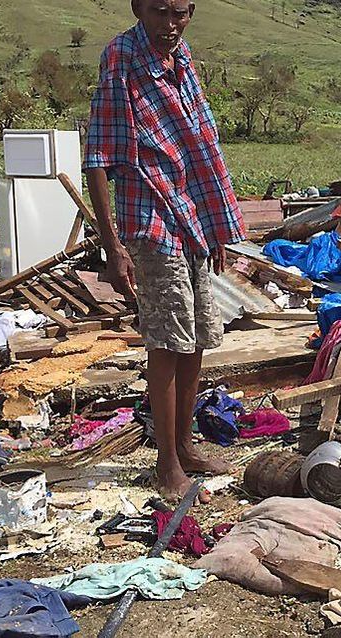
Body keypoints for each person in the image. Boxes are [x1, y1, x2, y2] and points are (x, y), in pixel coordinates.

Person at [84, 0, 245, 502]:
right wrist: (113, 245)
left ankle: (186, 443)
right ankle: (167, 463)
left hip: (192, 215)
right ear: (138, 8)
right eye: (159, 12)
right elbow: (98, 158)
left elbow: (201, 146)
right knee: (168, 338)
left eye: (181, 13)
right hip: (149, 214)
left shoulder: (183, 59)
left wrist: (216, 227)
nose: (170, 25)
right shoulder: (122, 60)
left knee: (196, 333)